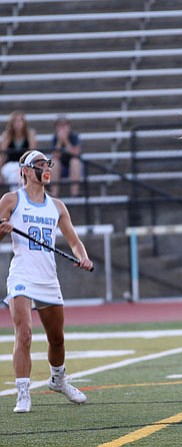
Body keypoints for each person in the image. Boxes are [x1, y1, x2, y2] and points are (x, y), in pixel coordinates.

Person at [0, 149, 93, 413]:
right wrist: (1, 231)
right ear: (27, 171)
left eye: (46, 164)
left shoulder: (57, 206)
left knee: (57, 339)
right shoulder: (11, 200)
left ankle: (58, 379)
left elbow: (74, 241)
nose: (45, 168)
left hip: (47, 278)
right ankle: (23, 392)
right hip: (21, 275)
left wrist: (83, 258)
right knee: (24, 333)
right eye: (39, 164)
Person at [0, 111, 37, 190]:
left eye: (20, 121)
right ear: (12, 123)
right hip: (10, 165)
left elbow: (32, 154)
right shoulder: (7, 135)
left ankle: (18, 198)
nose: (18, 123)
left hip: (24, 165)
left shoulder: (30, 134)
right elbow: (2, 156)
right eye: (15, 121)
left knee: (19, 174)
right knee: (16, 175)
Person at [50, 116, 83, 197]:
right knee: (54, 163)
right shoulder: (55, 138)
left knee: (74, 162)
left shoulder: (74, 136)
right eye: (60, 126)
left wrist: (66, 141)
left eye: (64, 125)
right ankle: (54, 193)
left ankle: (74, 193)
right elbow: (55, 155)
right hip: (61, 167)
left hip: (75, 167)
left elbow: (76, 154)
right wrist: (59, 142)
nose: (62, 128)